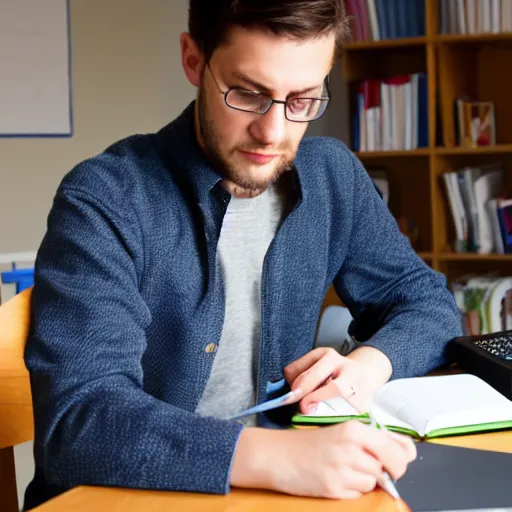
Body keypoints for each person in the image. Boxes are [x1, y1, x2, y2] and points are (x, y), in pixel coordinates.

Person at [23, 0, 463, 509]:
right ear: (193, 60)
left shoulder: (332, 176)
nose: (273, 133)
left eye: (302, 99)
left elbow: (427, 302)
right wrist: (284, 457)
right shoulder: (106, 196)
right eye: (248, 95)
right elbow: (81, 419)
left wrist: (367, 367)